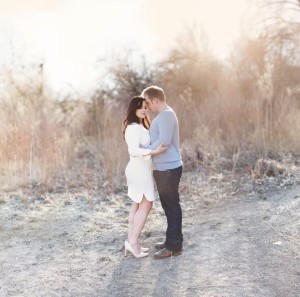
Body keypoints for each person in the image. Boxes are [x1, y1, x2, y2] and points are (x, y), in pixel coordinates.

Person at [142, 86, 183, 260]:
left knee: (171, 207)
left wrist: (144, 151)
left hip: (168, 167)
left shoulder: (166, 115)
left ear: (155, 100)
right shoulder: (164, 114)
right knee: (169, 206)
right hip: (164, 167)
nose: (147, 106)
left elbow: (164, 142)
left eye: (148, 102)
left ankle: (173, 247)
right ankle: (173, 240)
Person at [123, 96, 167, 258]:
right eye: (140, 107)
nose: (144, 110)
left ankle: (132, 241)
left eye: (146, 107)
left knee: (137, 205)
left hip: (141, 170)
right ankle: (132, 242)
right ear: (133, 108)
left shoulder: (139, 126)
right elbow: (133, 150)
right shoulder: (133, 127)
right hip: (138, 171)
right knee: (146, 204)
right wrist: (154, 151)